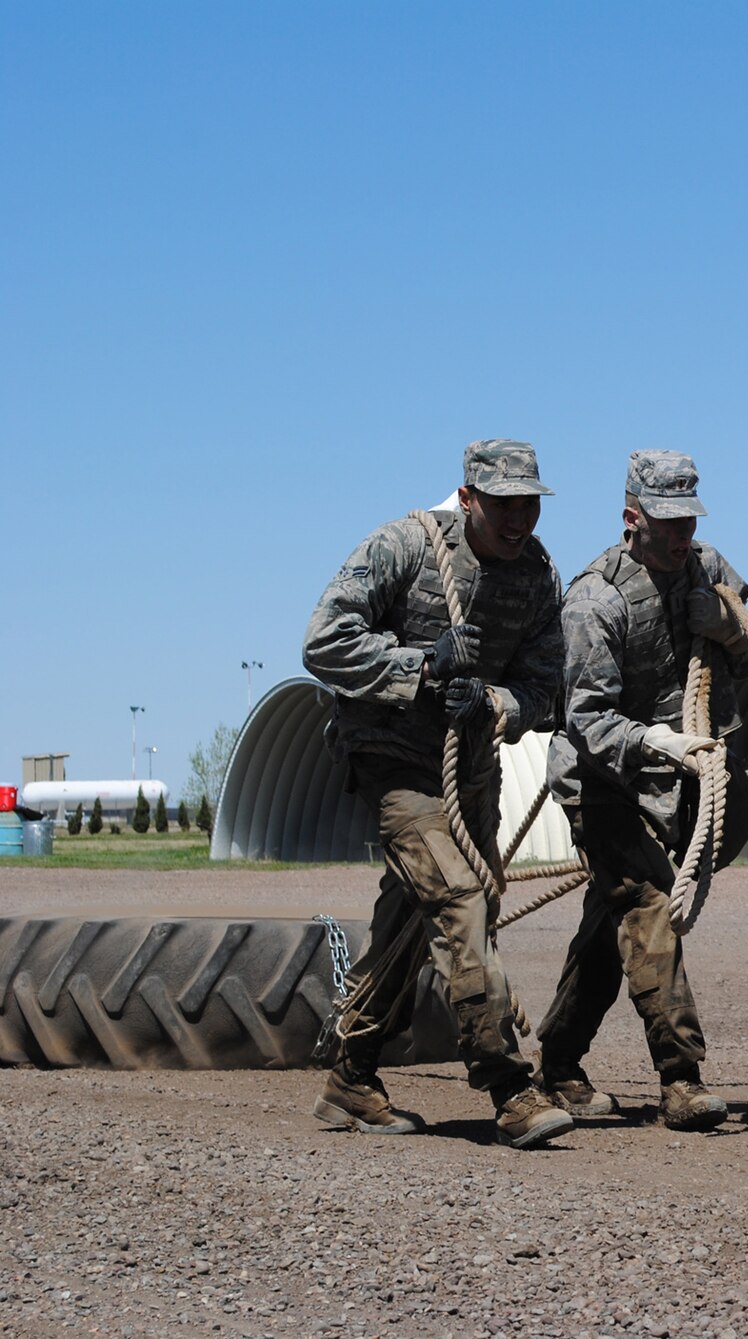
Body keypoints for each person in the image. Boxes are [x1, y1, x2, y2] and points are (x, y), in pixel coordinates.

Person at [304, 439, 573, 1149]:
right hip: (394, 763)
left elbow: (545, 689)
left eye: (530, 507)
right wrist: (421, 664)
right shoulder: (402, 545)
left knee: (408, 929)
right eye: (505, 506)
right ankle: (510, 1087)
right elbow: (323, 641)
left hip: (470, 770)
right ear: (468, 496)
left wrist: (490, 701)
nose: (520, 521)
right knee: (460, 899)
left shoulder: (538, 576)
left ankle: (351, 1077)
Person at [534, 450, 748, 1131]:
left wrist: (722, 626)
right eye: (666, 521)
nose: (680, 533)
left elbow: (746, 659)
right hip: (603, 778)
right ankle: (681, 1076)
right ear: (633, 517)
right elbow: (587, 718)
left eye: (688, 518)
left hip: (678, 779)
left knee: (612, 927)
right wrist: (657, 742)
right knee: (647, 905)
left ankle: (559, 1062)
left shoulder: (711, 572)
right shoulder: (595, 598)